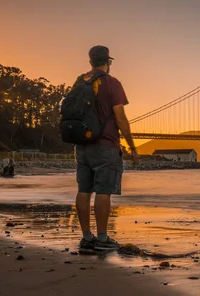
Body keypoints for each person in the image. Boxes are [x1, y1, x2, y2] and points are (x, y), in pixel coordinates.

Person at [74, 45, 138, 253]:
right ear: (107, 62)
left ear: (90, 61)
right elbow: (120, 118)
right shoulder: (112, 83)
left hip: (82, 146)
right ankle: (102, 239)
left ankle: (86, 239)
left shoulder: (79, 81)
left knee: (83, 191)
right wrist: (131, 146)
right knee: (103, 192)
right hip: (106, 145)